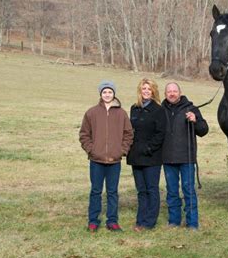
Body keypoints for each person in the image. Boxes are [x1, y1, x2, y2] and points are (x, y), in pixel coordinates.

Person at [79, 80, 133, 233]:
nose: (107, 94)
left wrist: (121, 150)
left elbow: (128, 134)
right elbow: (84, 134)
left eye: (110, 92)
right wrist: (92, 150)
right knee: (96, 191)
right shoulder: (91, 112)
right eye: (104, 92)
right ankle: (93, 221)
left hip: (114, 160)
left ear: (114, 94)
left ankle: (112, 221)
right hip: (96, 160)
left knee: (112, 191)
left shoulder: (121, 113)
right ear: (100, 94)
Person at [161, 82, 209, 230]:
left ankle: (192, 223)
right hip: (168, 158)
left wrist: (195, 120)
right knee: (172, 191)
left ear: (180, 93)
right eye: (169, 91)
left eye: (175, 91)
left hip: (186, 158)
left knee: (189, 190)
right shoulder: (160, 110)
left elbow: (203, 130)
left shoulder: (191, 108)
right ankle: (174, 221)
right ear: (165, 94)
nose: (172, 93)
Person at [126, 78, 166, 232]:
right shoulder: (134, 108)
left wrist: (149, 148)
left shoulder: (158, 110)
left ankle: (149, 222)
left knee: (151, 189)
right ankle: (140, 220)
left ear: (153, 91)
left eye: (149, 89)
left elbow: (160, 133)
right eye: (144, 89)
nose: (146, 91)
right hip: (135, 156)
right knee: (141, 190)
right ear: (140, 91)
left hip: (151, 157)